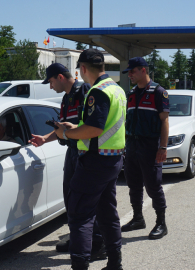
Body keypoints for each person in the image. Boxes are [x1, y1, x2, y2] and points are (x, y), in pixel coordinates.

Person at [54, 48, 126, 270]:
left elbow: (94, 129)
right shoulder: (117, 89)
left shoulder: (97, 91)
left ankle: (80, 266)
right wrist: (77, 127)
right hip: (112, 160)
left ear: (83, 68)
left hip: (94, 163)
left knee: (79, 217)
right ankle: (115, 264)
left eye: (80, 71)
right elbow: (105, 127)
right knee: (107, 214)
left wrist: (66, 133)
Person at [28, 63, 106, 261]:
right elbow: (63, 130)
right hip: (72, 152)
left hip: (86, 153)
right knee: (71, 199)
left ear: (60, 77)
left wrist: (72, 129)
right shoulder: (66, 98)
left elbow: (92, 126)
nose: (50, 86)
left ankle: (97, 245)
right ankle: (78, 239)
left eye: (51, 81)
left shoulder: (86, 92)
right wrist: (46, 138)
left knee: (87, 202)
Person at [122, 57, 169, 240]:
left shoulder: (158, 92)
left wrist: (163, 147)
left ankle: (161, 223)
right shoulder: (131, 93)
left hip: (150, 146)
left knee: (153, 186)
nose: (130, 75)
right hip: (132, 146)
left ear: (143, 70)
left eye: (132, 71)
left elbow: (164, 121)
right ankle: (138, 218)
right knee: (133, 185)